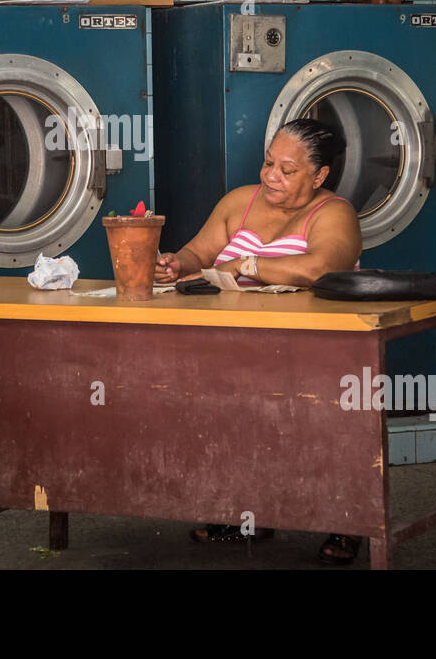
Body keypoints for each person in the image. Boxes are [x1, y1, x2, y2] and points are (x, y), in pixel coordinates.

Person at [154, 118, 365, 564]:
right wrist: (177, 264)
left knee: (321, 426)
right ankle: (246, 513)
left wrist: (245, 266)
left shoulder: (334, 213)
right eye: (269, 163)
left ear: (320, 175)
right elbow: (198, 253)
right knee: (229, 416)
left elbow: (319, 269)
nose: (271, 176)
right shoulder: (239, 202)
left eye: (287, 170)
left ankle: (348, 519)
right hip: (236, 345)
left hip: (311, 351)